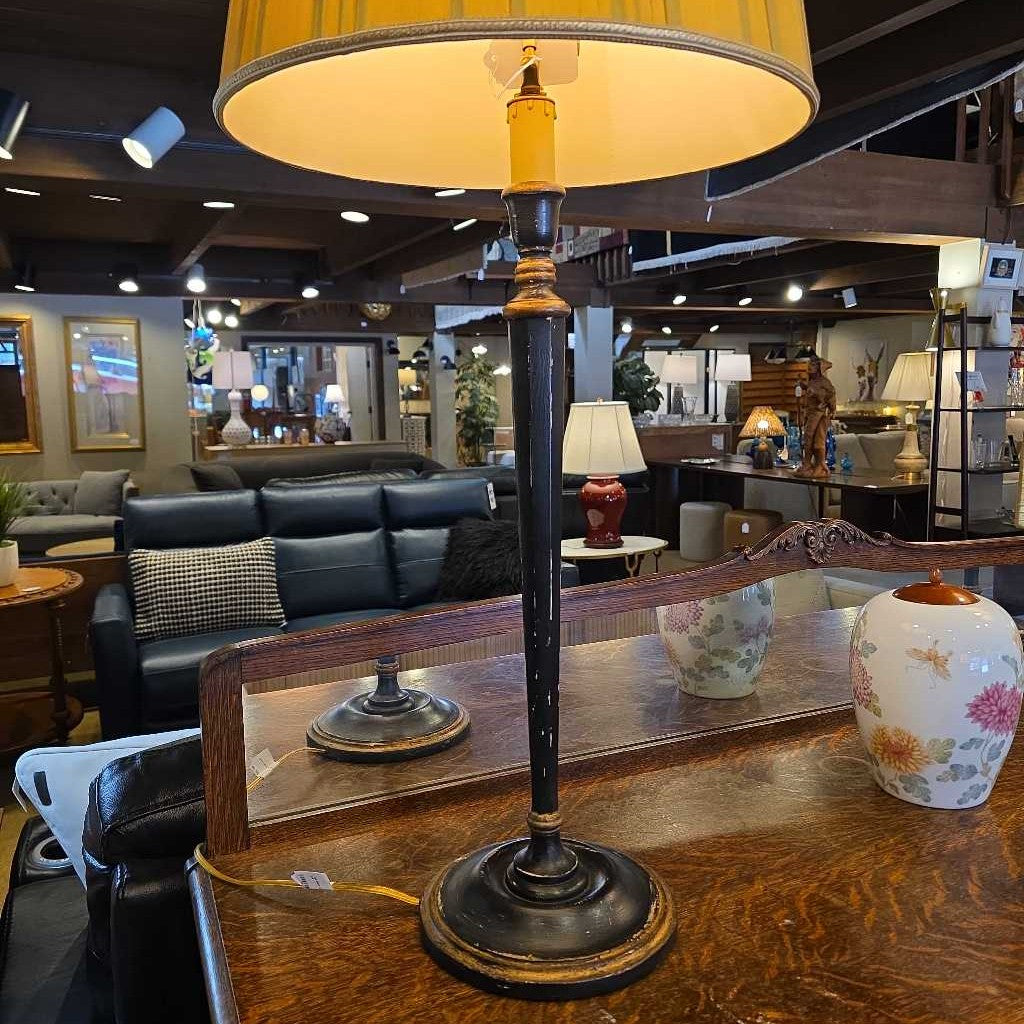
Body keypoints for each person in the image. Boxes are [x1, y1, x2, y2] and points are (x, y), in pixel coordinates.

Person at [795, 354, 836, 480]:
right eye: (810, 364)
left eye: (813, 365)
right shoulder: (812, 381)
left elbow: (828, 397)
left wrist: (816, 394)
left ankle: (820, 465)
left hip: (819, 414)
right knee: (808, 439)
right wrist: (804, 386)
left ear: (819, 367)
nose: (810, 367)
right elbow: (811, 390)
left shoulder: (825, 382)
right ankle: (807, 464)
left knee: (816, 441)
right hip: (809, 413)